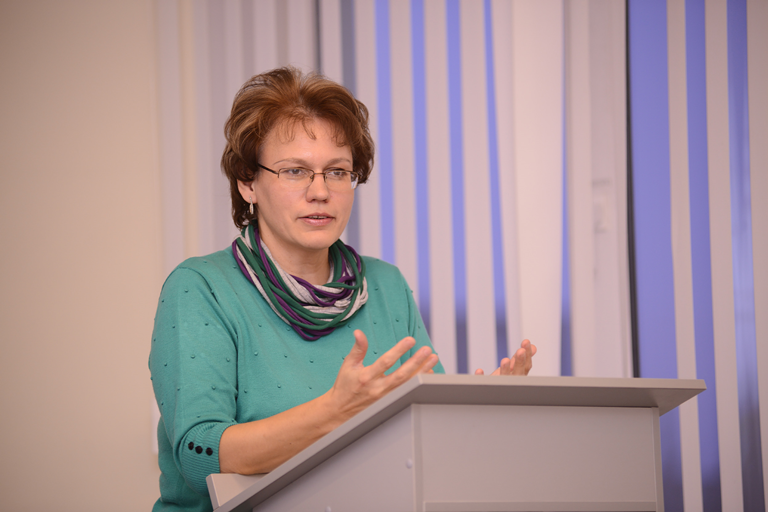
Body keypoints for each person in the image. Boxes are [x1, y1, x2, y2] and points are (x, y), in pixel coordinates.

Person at [149, 66, 536, 512]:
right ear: (247, 182)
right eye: (295, 171)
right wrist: (334, 412)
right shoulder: (200, 288)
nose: (320, 191)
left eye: (337, 172)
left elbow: (424, 436)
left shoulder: (386, 284)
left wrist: (485, 411)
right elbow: (199, 455)